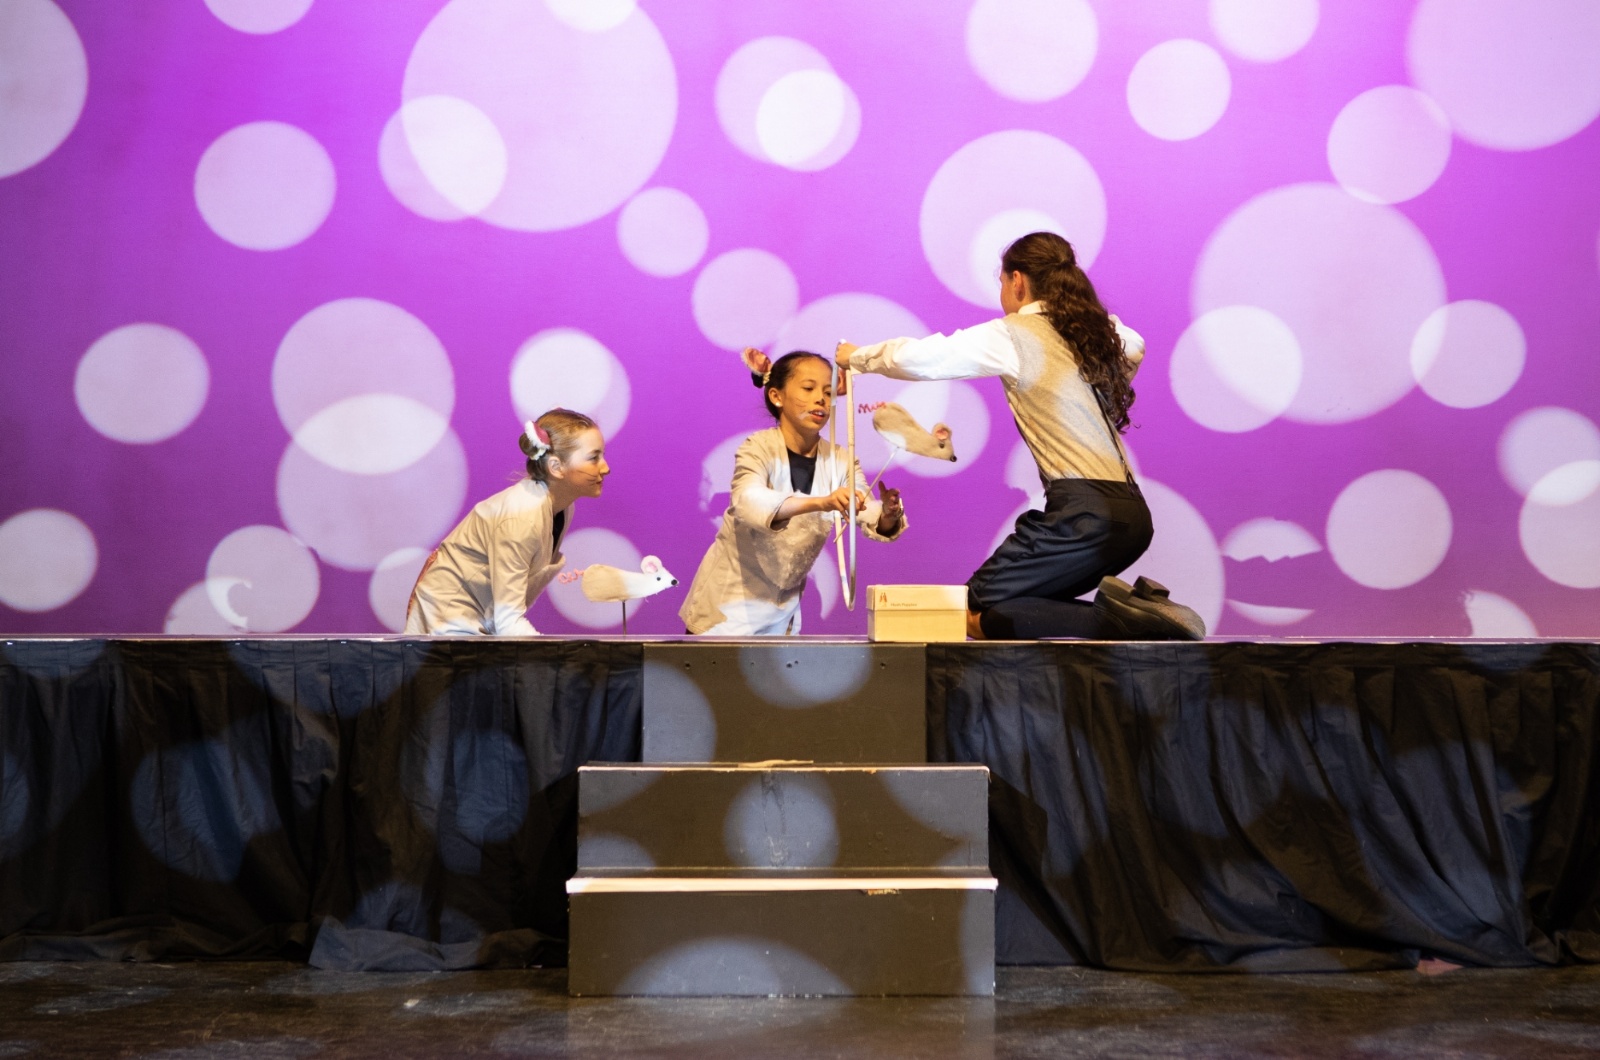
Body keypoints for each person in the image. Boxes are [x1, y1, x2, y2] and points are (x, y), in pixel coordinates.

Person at [836, 231, 1203, 640]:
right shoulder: (1088, 335)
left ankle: (1127, 619)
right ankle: (1136, 610)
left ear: (1017, 280)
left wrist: (857, 358)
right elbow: (1134, 344)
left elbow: (925, 358)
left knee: (970, 608)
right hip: (1131, 518)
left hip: (1083, 515)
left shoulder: (1014, 334)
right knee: (1000, 614)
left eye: (1001, 282)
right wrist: (1098, 327)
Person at [680, 350, 906, 635]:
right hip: (726, 609)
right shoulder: (757, 448)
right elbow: (748, 501)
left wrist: (887, 514)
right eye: (808, 389)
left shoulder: (840, 460)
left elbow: (864, 508)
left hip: (782, 615)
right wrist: (821, 502)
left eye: (827, 392)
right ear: (777, 396)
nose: (820, 399)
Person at [405, 409, 608, 635]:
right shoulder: (521, 517)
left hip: (477, 622)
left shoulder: (563, 508)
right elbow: (509, 621)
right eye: (594, 458)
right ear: (556, 467)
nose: (605, 468)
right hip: (446, 623)